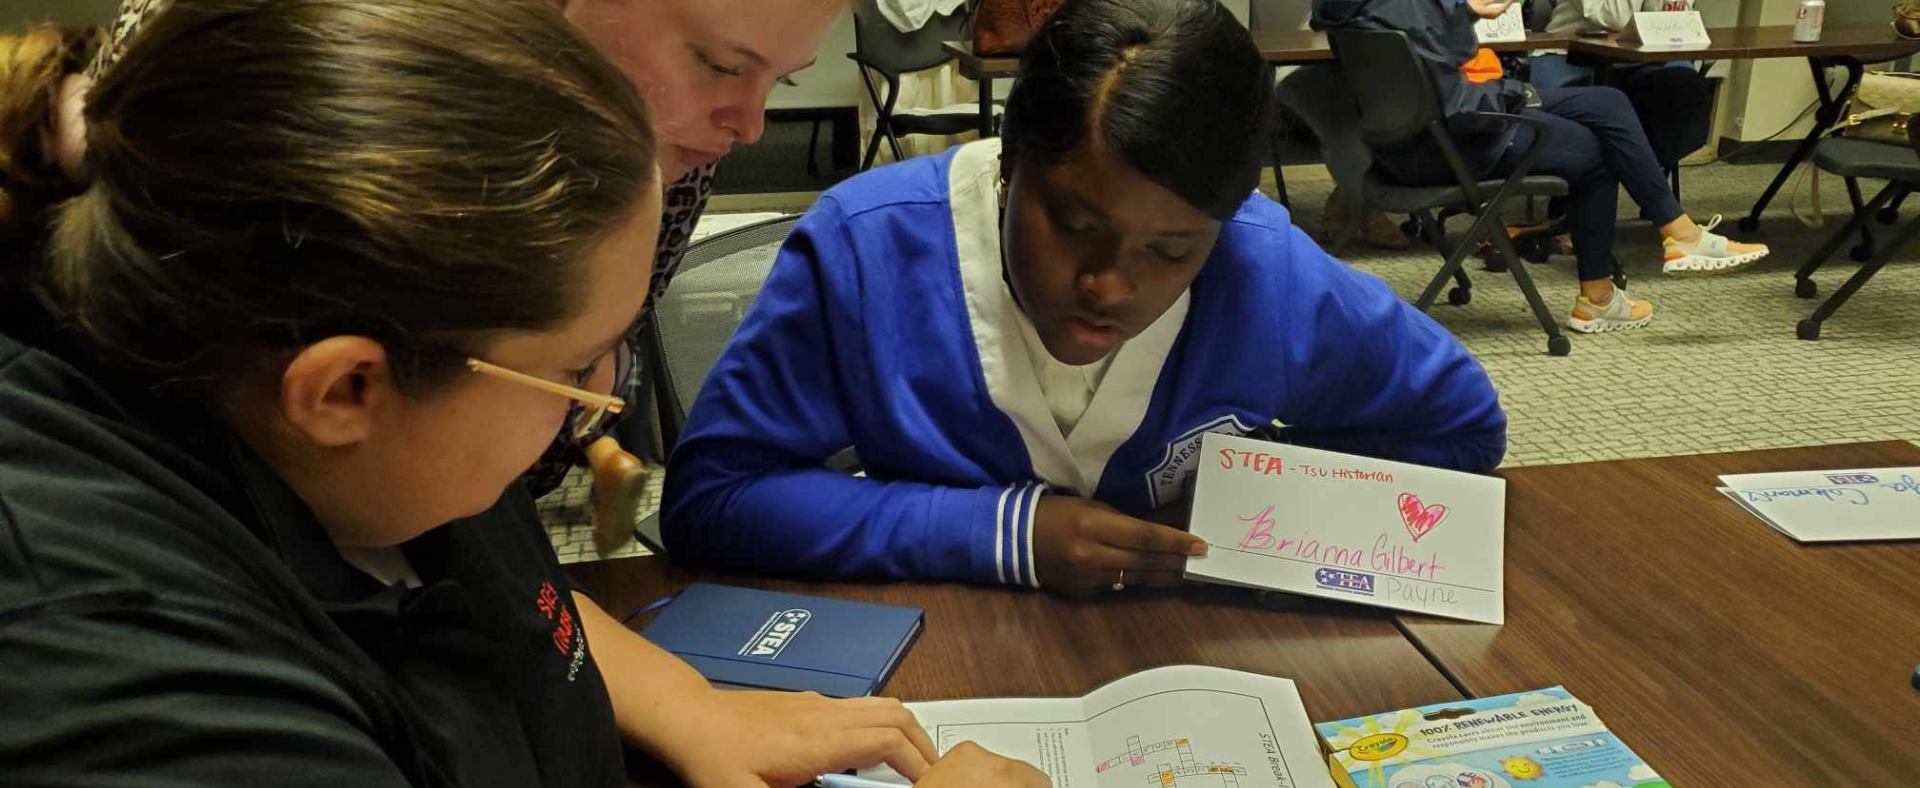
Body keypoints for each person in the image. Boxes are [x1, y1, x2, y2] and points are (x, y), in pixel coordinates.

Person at [0, 3, 1045, 788]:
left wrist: (685, 699)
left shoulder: (382, 434)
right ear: (344, 387)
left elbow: (508, 605)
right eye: (581, 364)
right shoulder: (147, 695)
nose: (602, 407)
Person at [659, 0, 1507, 595]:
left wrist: (1251, 501)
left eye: (1171, 252)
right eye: (1069, 225)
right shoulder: (865, 248)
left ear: (1226, 221)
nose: (1108, 285)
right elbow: (714, 498)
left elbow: (1459, 423)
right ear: (1008, 163)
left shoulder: (1268, 272)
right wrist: (1004, 535)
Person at [1313, 0, 1767, 335]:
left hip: (1400, 148)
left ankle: (1677, 232)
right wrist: (1514, 89)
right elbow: (1454, 95)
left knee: (1607, 102)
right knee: (1600, 151)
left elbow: (1429, 73)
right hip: (1456, 144)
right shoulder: (1408, 8)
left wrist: (1462, 10)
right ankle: (1601, 296)